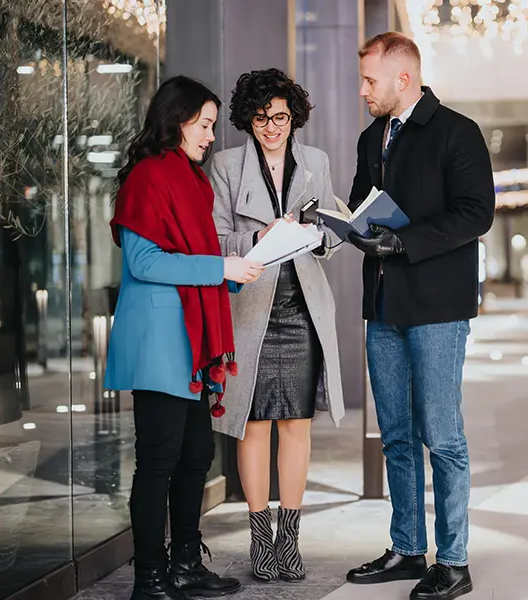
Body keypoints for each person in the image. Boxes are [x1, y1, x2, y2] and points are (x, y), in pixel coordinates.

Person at [345, 32, 496, 600]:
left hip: (436, 307)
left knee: (442, 435)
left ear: (402, 78)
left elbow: (476, 212)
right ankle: (408, 549)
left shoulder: (457, 132)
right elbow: (361, 208)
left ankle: (453, 561)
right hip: (383, 305)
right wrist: (342, 229)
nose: (362, 90)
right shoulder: (371, 137)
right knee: (397, 438)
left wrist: (403, 242)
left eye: (369, 80)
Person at [105, 76, 264, 600]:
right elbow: (144, 262)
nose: (211, 136)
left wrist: (242, 253)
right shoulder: (149, 178)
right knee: (157, 461)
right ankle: (148, 578)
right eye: (205, 124)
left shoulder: (191, 180)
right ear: (176, 122)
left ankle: (186, 565)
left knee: (196, 455)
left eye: (214, 126)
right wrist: (221, 266)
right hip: (158, 342)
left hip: (190, 341)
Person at [209, 68, 345, 583]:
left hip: (303, 308)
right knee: (253, 423)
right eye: (263, 118)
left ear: (295, 118)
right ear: (248, 118)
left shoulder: (315, 162)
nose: (272, 128)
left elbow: (332, 235)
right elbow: (216, 240)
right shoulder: (225, 165)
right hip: (252, 308)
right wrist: (259, 237)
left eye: (281, 118)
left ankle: (289, 541)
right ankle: (260, 541)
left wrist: (326, 232)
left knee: (297, 423)